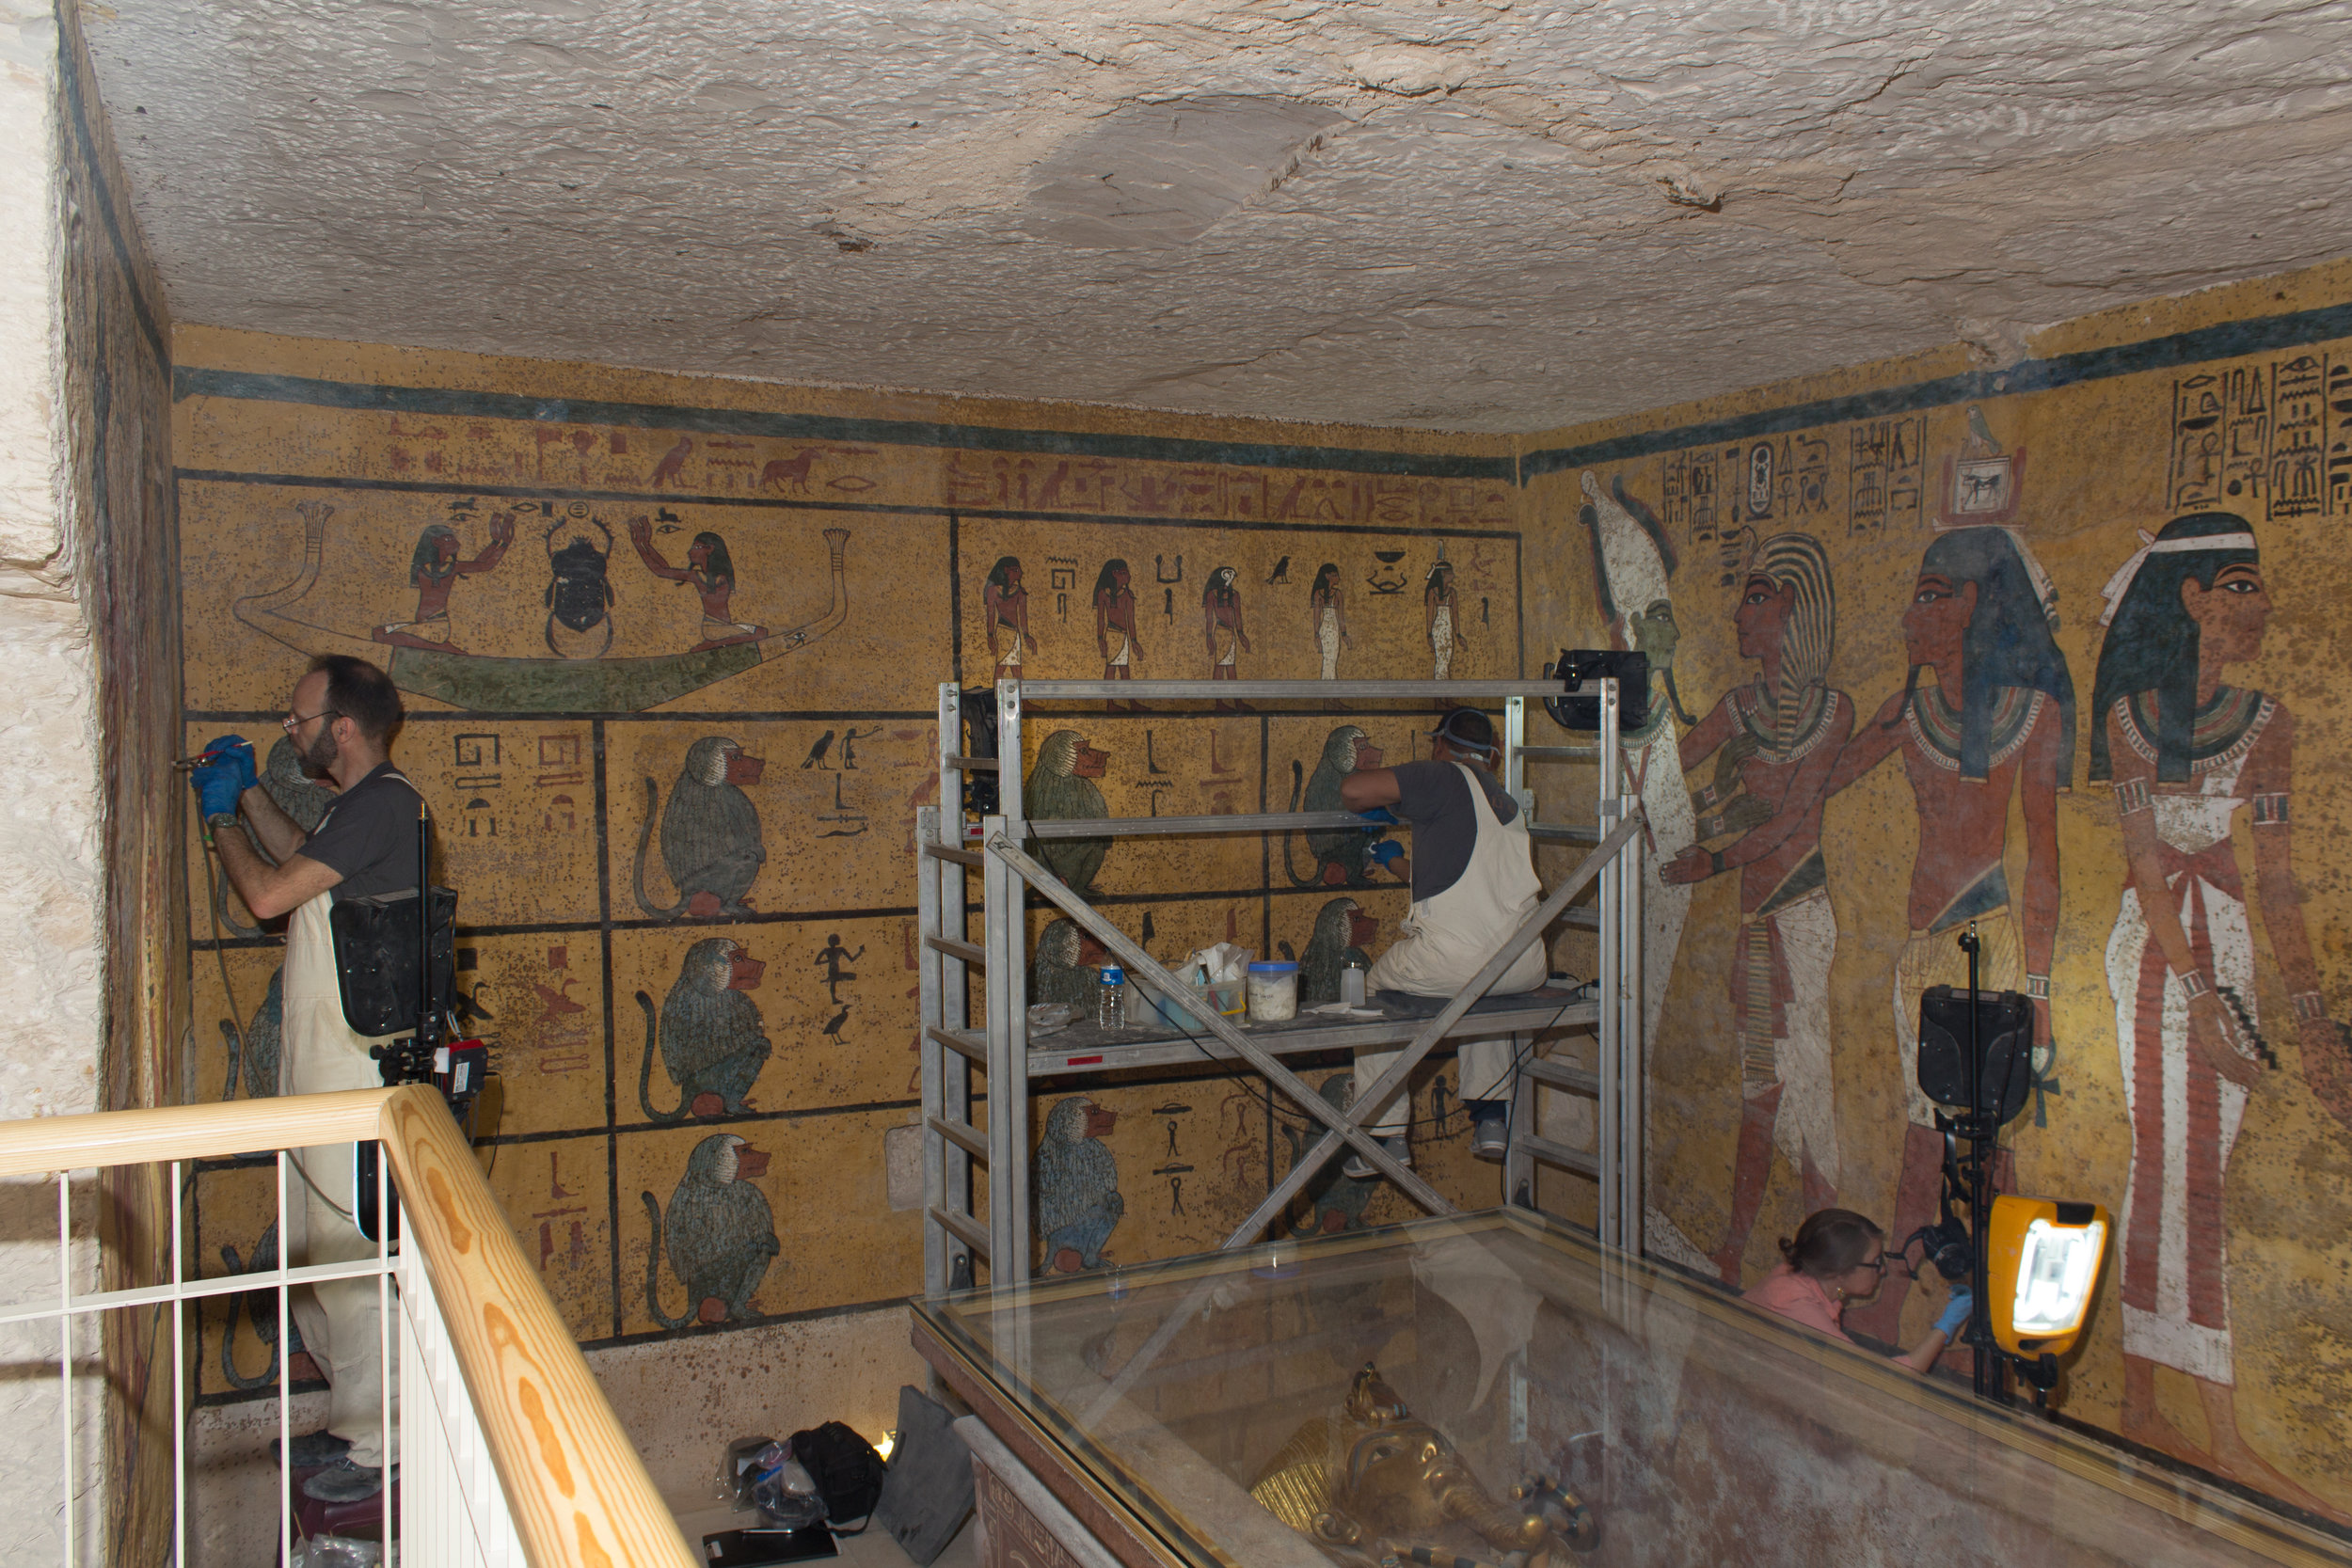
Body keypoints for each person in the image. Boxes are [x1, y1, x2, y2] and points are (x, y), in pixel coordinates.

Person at [2087, 512, 2350, 1518]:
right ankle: (2194, 1423)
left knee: (2197, 1170)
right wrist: (2197, 994)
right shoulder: (2128, 716)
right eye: (2239, 585)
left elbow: (2277, 879)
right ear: (2191, 596)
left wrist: (2312, 1015)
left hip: (2227, 935)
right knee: (2166, 1163)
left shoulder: (2269, 720)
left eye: (2260, 586)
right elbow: (2145, 866)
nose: (2260, 603)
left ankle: (2169, 1406)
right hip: (2155, 953)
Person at [1820, 526, 2072, 1346]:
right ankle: (1895, 1301)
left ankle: (1988, 1320)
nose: (1909, 614)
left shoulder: (2031, 717)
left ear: (1973, 605)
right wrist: (1854, 723)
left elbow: (2043, 863)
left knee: (1987, 1147)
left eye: (1930, 595)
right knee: (1922, 1136)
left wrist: (2037, 997)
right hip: (1923, 947)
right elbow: (1823, 782)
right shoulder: (1909, 711)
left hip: (1988, 938)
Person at [187, 654, 424, 1504]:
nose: (293, 732)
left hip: (351, 1065)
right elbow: (307, 859)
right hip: (325, 1062)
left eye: (299, 720)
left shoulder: (386, 801)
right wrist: (251, 794)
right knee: (321, 1256)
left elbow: (268, 894)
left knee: (348, 1258)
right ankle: (357, 1423)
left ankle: (381, 1441)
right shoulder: (359, 809)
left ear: (344, 727)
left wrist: (219, 821)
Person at [1661, 533, 1851, 1284]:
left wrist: (1710, 857)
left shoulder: (1831, 711)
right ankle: (1737, 1251)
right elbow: (1673, 766)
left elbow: (1794, 823)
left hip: (1799, 915)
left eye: (1758, 596)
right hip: (1754, 925)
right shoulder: (1741, 707)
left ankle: (1825, 1267)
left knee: (1808, 1094)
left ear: (1795, 609)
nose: (1741, 614)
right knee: (1758, 1092)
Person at [1337, 708, 1543, 1175]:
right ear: (1491, 752)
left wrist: (1387, 799)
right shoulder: (1503, 800)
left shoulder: (1443, 774)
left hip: (1456, 959)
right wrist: (1395, 862)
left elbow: (1353, 790)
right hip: (1522, 962)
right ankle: (1491, 1116)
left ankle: (1385, 1138)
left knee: (1374, 992)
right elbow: (1457, 882)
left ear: (1439, 745)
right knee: (1478, 994)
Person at [1743, 1209, 1969, 1373]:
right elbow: (1885, 1381)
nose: (1882, 1271)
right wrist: (1946, 1325)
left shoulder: (1804, 1274)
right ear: (1840, 1271)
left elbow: (1835, 1296)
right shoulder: (1798, 1309)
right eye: (1875, 1262)